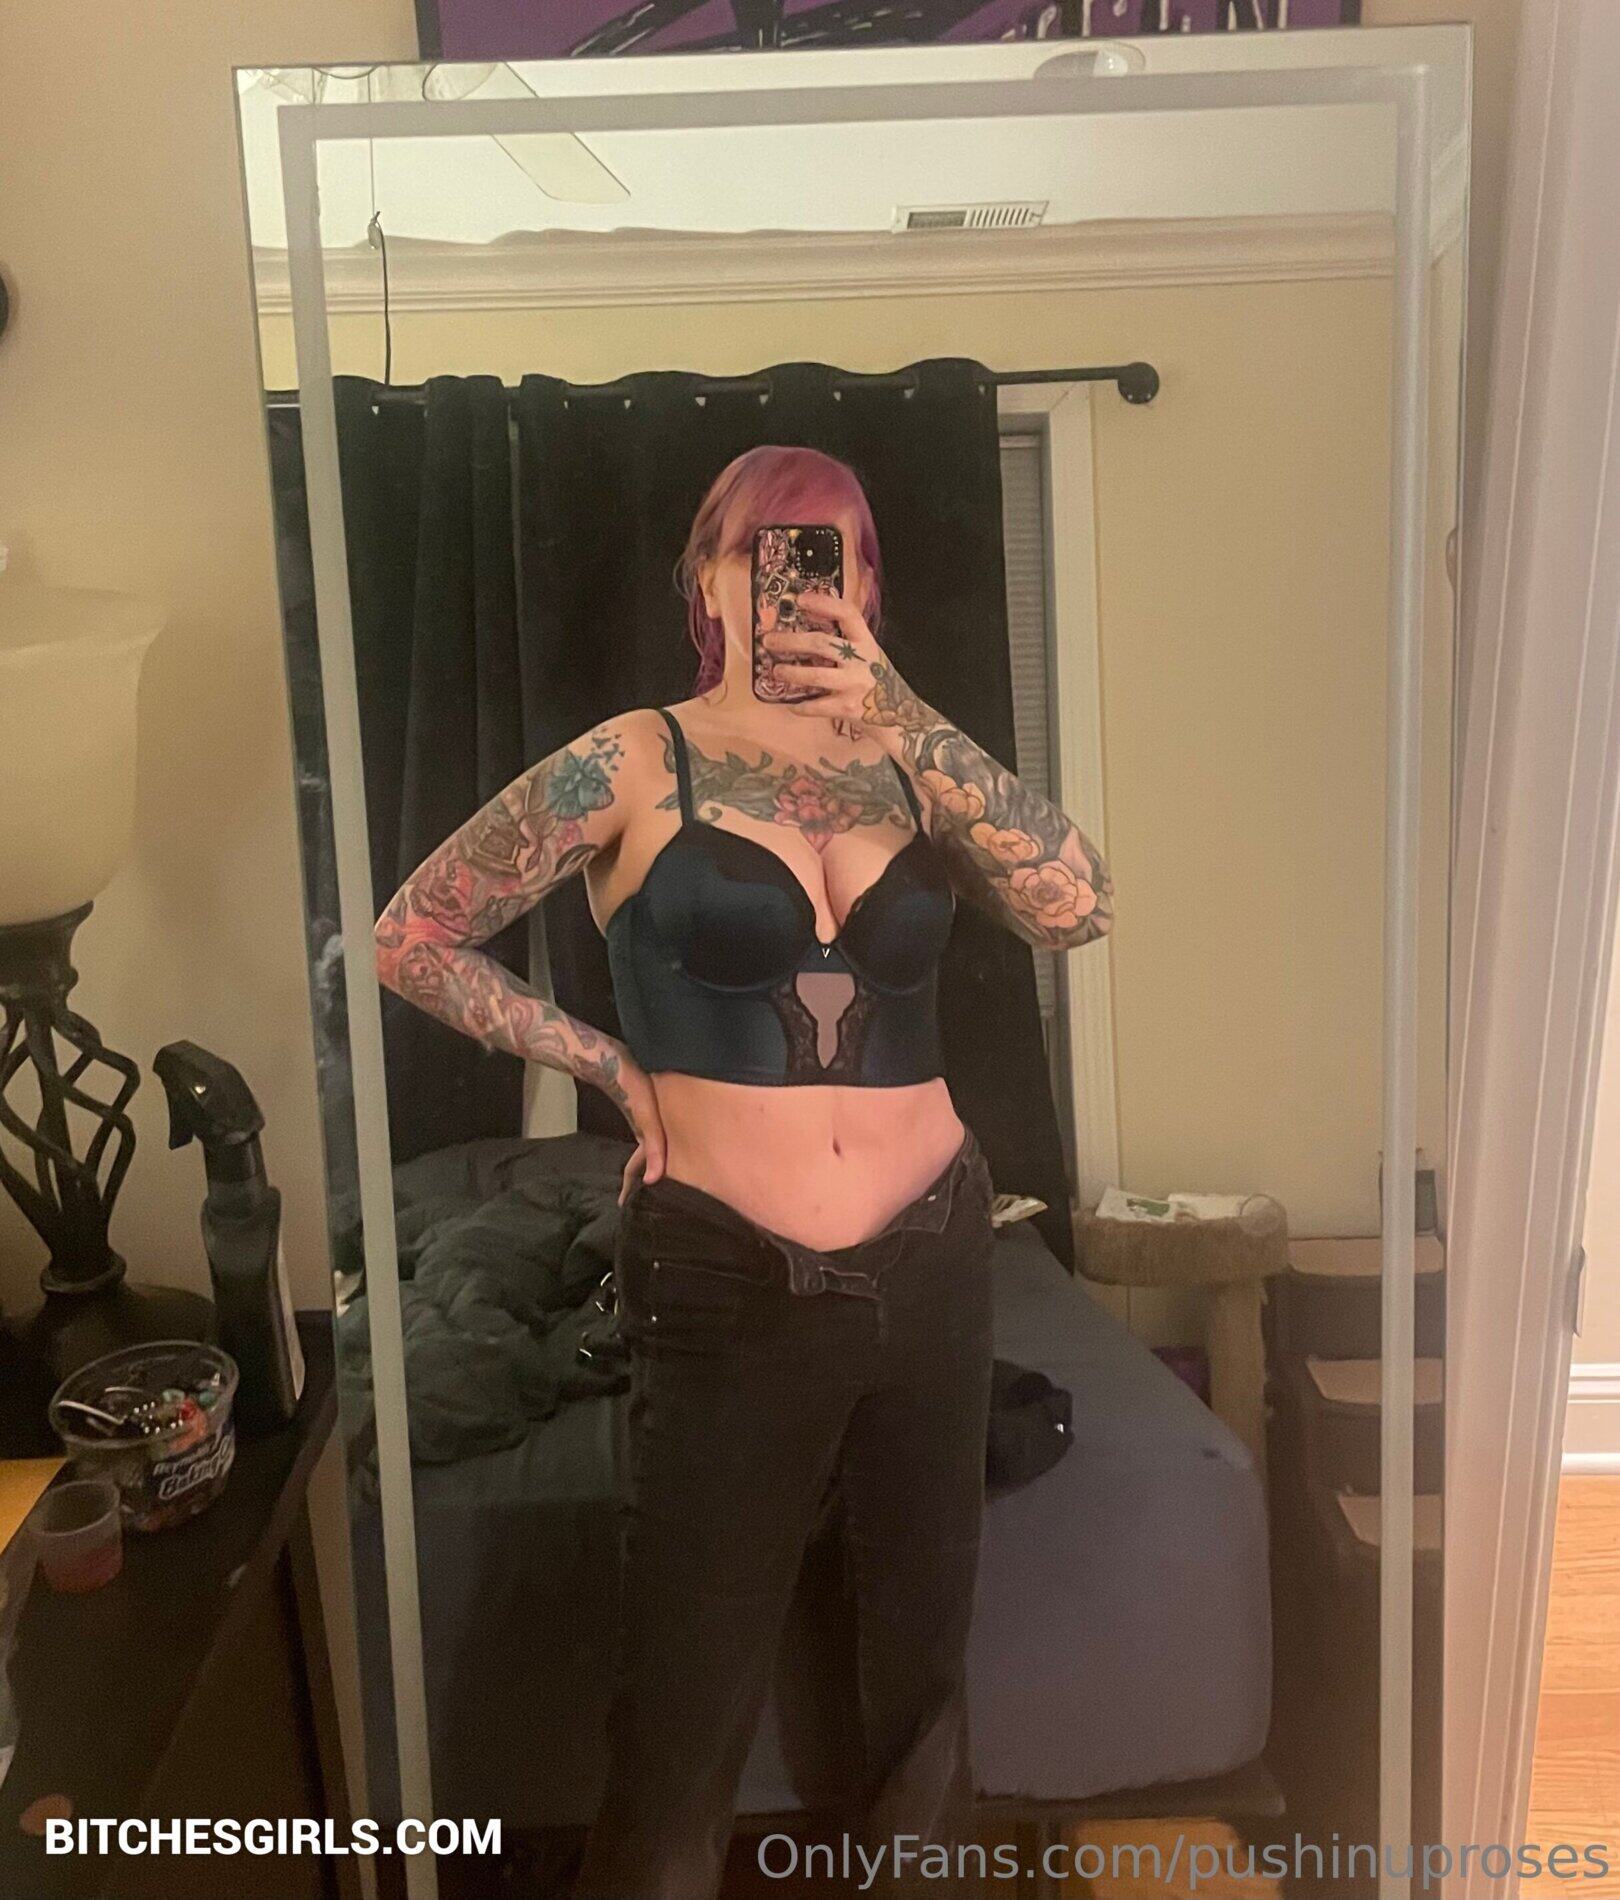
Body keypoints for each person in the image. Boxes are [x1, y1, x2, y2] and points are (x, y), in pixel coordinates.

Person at [375, 444, 1113, 1899]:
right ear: (706, 581)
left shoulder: (912, 767)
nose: (800, 586)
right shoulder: (634, 759)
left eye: (835, 556)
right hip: (724, 1271)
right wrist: (605, 1066)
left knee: (921, 1672)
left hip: (936, 1249)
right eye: (767, 551)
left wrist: (903, 709)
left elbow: (1078, 906)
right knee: (685, 1693)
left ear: (869, 589)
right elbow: (412, 933)